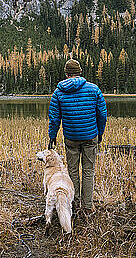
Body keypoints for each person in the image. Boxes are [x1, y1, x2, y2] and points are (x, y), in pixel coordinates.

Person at [48, 58, 107, 212]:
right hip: (90, 137)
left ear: (67, 74)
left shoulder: (58, 92)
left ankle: (74, 203)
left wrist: (52, 136)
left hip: (71, 138)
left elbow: (54, 118)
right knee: (89, 170)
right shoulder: (94, 90)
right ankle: (87, 206)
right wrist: (99, 133)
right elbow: (102, 115)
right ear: (79, 73)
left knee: (73, 171)